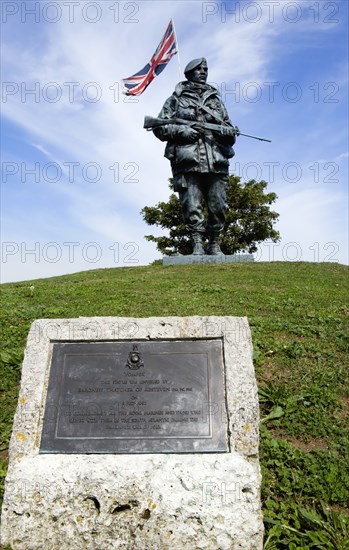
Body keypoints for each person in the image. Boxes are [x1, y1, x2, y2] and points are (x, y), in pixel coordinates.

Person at [153, 58, 238, 255]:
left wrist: (228, 133)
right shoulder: (176, 99)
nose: (203, 72)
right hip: (188, 159)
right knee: (191, 205)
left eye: (205, 69)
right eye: (198, 69)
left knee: (219, 204)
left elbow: (228, 128)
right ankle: (197, 244)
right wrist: (181, 132)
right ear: (189, 73)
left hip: (216, 159)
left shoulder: (215, 101)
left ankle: (215, 243)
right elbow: (159, 127)